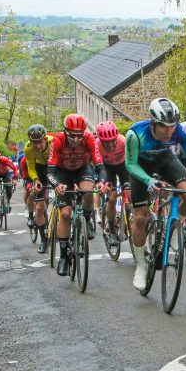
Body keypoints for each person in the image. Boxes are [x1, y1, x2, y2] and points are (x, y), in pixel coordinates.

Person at [125, 98, 186, 291]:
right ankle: (140, 265)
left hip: (164, 159)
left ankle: (174, 227)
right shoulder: (135, 133)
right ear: (153, 122)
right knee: (140, 218)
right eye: (163, 127)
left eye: (172, 126)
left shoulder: (179, 130)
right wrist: (148, 180)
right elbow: (130, 165)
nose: (168, 131)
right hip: (140, 167)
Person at [47, 114, 107, 276]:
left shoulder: (89, 138)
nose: (75, 139)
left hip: (82, 169)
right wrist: (56, 185)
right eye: (72, 135)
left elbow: (100, 166)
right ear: (65, 131)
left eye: (79, 135)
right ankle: (64, 256)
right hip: (62, 173)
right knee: (65, 214)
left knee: (88, 191)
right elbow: (50, 171)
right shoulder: (57, 140)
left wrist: (101, 181)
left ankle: (87, 219)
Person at [95, 121, 129, 247]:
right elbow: (95, 165)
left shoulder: (123, 141)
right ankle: (112, 231)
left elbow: (134, 160)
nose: (109, 145)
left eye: (112, 141)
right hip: (106, 168)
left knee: (131, 194)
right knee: (112, 198)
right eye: (106, 142)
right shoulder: (96, 145)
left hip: (123, 166)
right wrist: (101, 181)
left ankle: (129, 220)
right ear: (100, 141)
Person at [24, 124, 53, 254]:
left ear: (45, 139)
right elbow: (30, 167)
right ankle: (44, 240)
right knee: (39, 207)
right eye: (34, 143)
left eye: (40, 142)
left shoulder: (54, 142)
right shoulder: (28, 149)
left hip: (55, 167)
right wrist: (35, 180)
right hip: (40, 170)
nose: (38, 146)